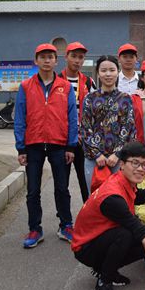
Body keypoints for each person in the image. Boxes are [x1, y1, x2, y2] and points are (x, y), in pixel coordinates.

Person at [71, 142, 145, 290]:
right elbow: (141, 233)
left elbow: (140, 196)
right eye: (135, 163)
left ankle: (107, 268)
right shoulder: (113, 197)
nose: (141, 169)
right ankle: (104, 281)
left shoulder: (123, 180)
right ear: (122, 164)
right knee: (126, 234)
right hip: (85, 247)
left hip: (103, 235)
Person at [14, 43, 77, 248]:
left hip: (59, 144)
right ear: (36, 60)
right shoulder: (26, 86)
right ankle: (35, 228)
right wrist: (21, 148)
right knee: (33, 190)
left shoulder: (65, 87)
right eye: (43, 57)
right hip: (33, 145)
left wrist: (70, 146)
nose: (47, 60)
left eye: (50, 57)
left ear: (56, 61)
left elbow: (72, 118)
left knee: (62, 188)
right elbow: (20, 117)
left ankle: (66, 225)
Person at [81, 55, 136, 195]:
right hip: (94, 159)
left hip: (118, 159)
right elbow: (85, 129)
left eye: (112, 70)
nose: (108, 74)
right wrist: (97, 154)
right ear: (98, 73)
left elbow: (129, 128)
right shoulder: (90, 98)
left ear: (118, 72)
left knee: (120, 196)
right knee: (95, 197)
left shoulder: (125, 99)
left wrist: (117, 154)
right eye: (104, 70)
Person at [60, 41, 96, 202]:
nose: (77, 60)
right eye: (73, 56)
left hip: (83, 141)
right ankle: (64, 216)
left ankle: (87, 214)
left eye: (80, 57)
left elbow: (95, 112)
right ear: (66, 57)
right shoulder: (56, 80)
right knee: (62, 184)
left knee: (86, 182)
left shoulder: (89, 82)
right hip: (62, 139)